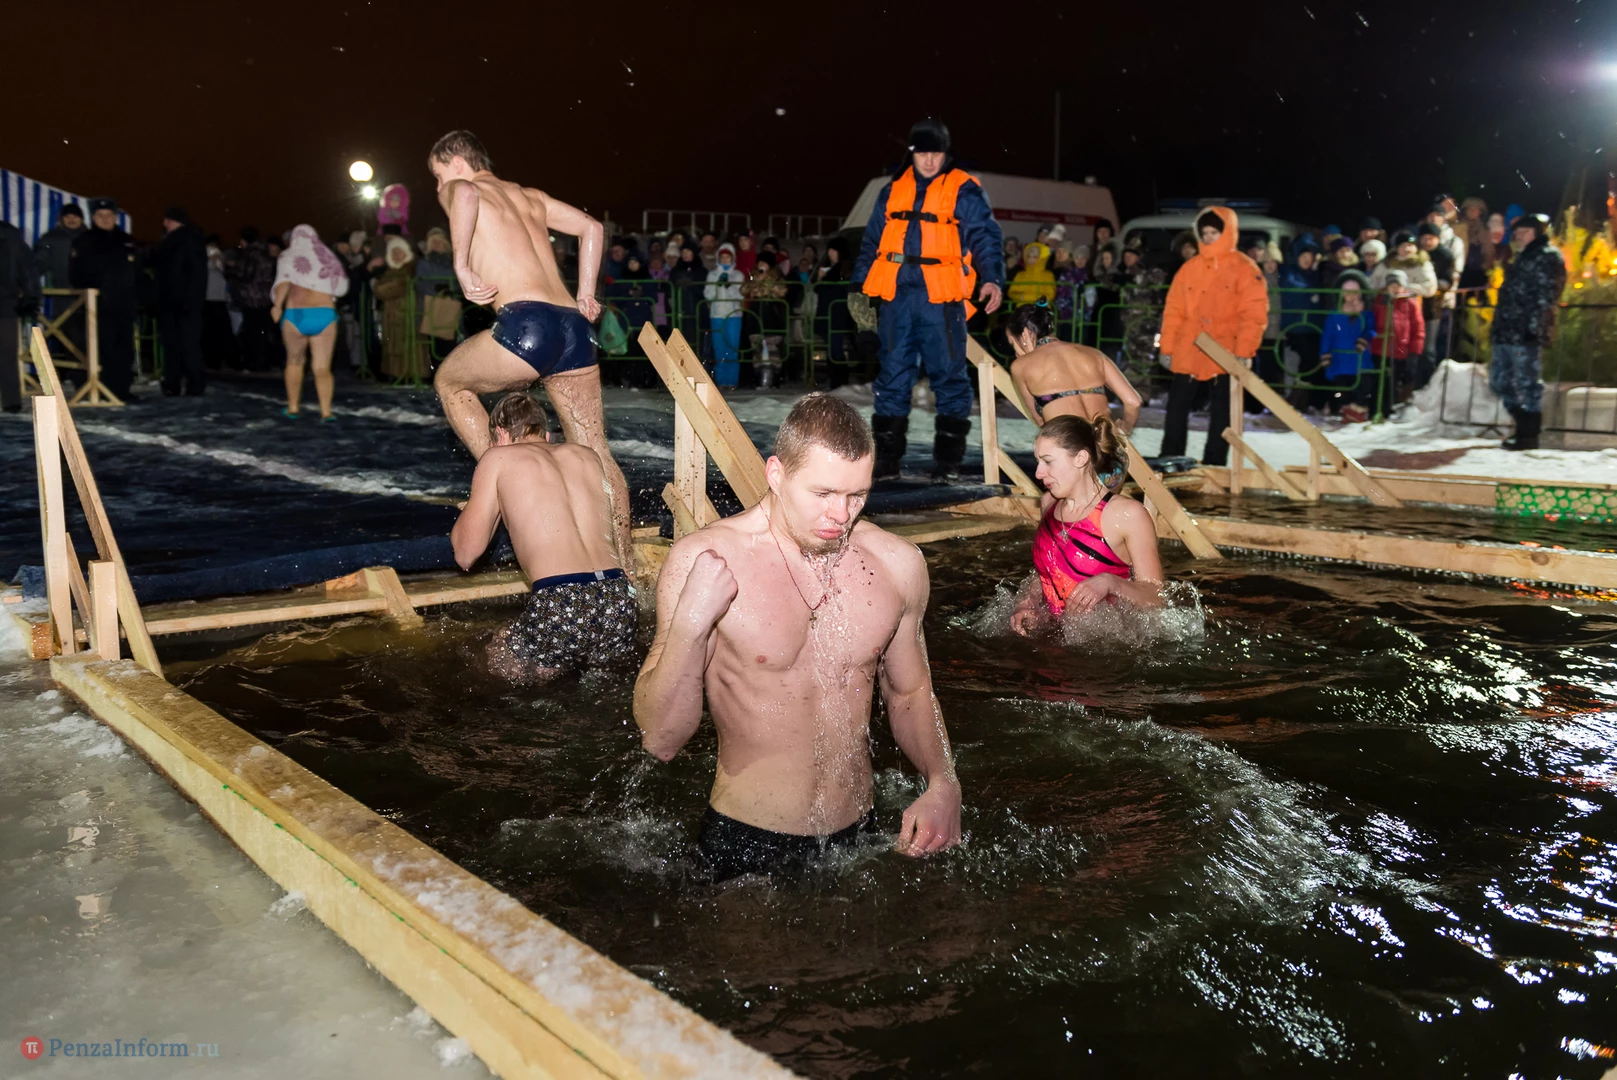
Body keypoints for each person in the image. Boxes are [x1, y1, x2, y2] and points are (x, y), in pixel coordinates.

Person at [633, 394, 962, 881]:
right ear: (776, 474)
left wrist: (943, 781)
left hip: (859, 839)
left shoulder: (897, 564)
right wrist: (689, 627)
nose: (840, 514)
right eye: (823, 493)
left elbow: (910, 690)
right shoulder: (706, 560)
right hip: (747, 843)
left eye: (856, 496)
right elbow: (661, 739)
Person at [424, 130, 631, 566]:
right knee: (595, 449)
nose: (439, 187)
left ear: (457, 162)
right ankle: (625, 564)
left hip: (527, 325)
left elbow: (464, 195)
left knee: (450, 382)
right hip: (574, 328)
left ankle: (501, 484)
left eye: (438, 175)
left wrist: (461, 266)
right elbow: (592, 227)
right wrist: (586, 292)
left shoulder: (463, 186)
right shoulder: (531, 196)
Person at [851, 118, 1006, 480]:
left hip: (942, 298)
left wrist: (992, 278)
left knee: (949, 377)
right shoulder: (891, 190)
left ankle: (948, 463)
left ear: (946, 154)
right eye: (923, 153)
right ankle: (887, 462)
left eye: (936, 153)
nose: (930, 160)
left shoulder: (963, 188)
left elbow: (985, 235)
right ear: (912, 153)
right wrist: (858, 289)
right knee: (892, 377)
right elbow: (871, 242)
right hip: (897, 297)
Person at [451, 392, 636, 682]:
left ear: (500, 434)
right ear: (546, 436)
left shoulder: (497, 457)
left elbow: (466, 554)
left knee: (493, 658)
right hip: (619, 597)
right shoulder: (587, 455)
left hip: (561, 600)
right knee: (596, 678)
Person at [1010, 413, 1164, 634]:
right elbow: (1045, 574)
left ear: (1081, 458)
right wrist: (1026, 603)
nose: (1038, 473)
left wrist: (1110, 582)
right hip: (1054, 636)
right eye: (1038, 462)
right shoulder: (1049, 504)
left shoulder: (1127, 514)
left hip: (1106, 645)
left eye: (1048, 461)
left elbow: (1156, 597)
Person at [1158, 206, 1269, 467]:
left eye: (1214, 232)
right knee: (1176, 408)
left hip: (1225, 349)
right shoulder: (1189, 268)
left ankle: (1215, 464)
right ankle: (1170, 459)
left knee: (1222, 413)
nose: (1208, 238)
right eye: (1204, 232)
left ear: (1226, 232)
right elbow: (1173, 311)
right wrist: (1167, 347)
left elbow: (1253, 314)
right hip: (1189, 347)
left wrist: (1244, 351)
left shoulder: (1245, 268)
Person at [1491, 213, 1566, 451]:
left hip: (1525, 332)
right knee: (1498, 381)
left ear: (1537, 233)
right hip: (1505, 330)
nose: (1519, 237)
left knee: (1527, 384)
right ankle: (1523, 423)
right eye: (1517, 233)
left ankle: (1528, 434)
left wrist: (1535, 328)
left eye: (1525, 232)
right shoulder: (1522, 257)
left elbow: (1546, 296)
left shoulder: (1547, 256)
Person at [1005, 301, 1140, 431]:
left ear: (1025, 335)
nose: (1015, 353)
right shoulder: (1094, 354)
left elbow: (1040, 420)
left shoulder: (1020, 366)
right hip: (1103, 440)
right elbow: (1133, 402)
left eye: (1013, 344)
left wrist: (1029, 359)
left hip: (1069, 443)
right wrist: (1124, 429)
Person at [271, 225, 350, 419]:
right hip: (324, 314)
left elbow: (284, 281)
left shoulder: (289, 255)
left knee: (294, 362)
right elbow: (341, 287)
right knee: (322, 368)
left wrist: (277, 305)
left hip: (296, 314)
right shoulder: (327, 257)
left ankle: (293, 408)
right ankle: (326, 412)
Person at [68, 198, 139, 399]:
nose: (105, 219)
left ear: (115, 217)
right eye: (100, 215)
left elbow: (138, 273)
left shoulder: (127, 241)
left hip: (124, 306)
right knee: (101, 350)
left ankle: (122, 390)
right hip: (98, 307)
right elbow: (75, 276)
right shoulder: (84, 241)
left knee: (124, 350)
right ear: (93, 217)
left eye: (109, 215)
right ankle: (103, 390)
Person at [154, 207, 208, 396]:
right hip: (178, 302)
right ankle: (180, 382)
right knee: (179, 344)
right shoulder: (183, 239)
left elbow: (195, 273)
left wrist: (189, 299)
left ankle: (184, 383)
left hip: (180, 303)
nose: (163, 224)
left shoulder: (184, 240)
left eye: (166, 220)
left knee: (182, 345)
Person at [1318, 270, 1377, 421]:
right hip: (1340, 359)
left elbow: (1371, 329)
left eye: (1355, 292)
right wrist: (1325, 353)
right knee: (1342, 390)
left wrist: (1364, 340)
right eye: (1347, 292)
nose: (1351, 296)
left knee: (1363, 387)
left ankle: (1357, 412)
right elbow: (1328, 335)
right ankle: (1345, 412)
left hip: (1360, 357)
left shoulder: (1366, 313)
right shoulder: (1334, 314)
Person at [32, 205, 86, 367]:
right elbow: (39, 263)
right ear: (61, 219)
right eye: (67, 216)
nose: (71, 219)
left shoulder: (91, 237)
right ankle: (74, 374)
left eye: (75, 216)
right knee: (70, 338)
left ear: (82, 219)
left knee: (92, 338)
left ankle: (93, 374)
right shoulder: (51, 239)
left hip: (93, 298)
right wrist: (26, 282)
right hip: (65, 298)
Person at [224, 226, 277, 371]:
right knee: (263, 332)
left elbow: (244, 273)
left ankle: (256, 362)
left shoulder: (249, 255)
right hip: (265, 298)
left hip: (251, 299)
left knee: (252, 332)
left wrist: (230, 268)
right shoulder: (265, 253)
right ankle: (264, 361)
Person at [1369, 268, 1425, 405]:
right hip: (1380, 347)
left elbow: (1418, 326)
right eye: (1392, 285)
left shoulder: (1410, 303)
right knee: (1379, 379)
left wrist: (1415, 349)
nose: (1394, 289)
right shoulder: (1379, 300)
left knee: (1395, 378)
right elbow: (1372, 321)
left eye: (1398, 285)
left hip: (1400, 348)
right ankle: (1378, 405)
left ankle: (1393, 404)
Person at [0, 217, 39, 412]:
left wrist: (31, 296)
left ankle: (11, 401)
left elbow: (27, 268)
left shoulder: (10, 236)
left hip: (5, 303)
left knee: (7, 353)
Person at [705, 242, 745, 386]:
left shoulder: (737, 275)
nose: (725, 259)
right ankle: (721, 381)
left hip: (733, 315)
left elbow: (740, 295)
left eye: (728, 257)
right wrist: (717, 285)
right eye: (723, 257)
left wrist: (729, 286)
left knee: (732, 348)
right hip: (717, 315)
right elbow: (708, 294)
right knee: (719, 348)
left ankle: (732, 382)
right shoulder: (713, 274)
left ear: (732, 258)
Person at [1007, 240, 1056, 306]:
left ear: (1041, 258)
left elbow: (1051, 294)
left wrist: (1027, 297)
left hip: (1042, 308)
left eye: (1035, 257)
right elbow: (1012, 292)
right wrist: (1024, 297)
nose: (1031, 260)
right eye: (1028, 256)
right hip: (1022, 308)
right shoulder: (1020, 275)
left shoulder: (1048, 275)